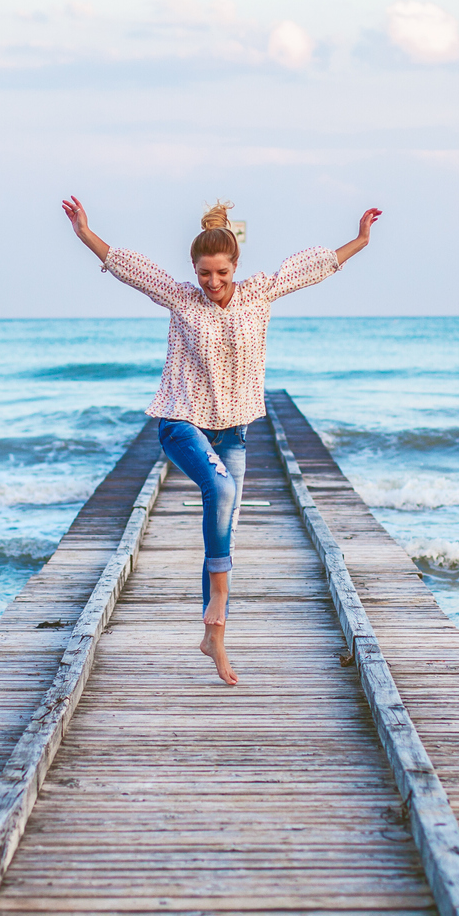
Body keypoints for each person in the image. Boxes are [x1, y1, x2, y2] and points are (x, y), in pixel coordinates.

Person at [61, 196, 381, 685]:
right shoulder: (181, 297)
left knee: (224, 518)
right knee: (224, 491)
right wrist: (85, 232)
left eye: (221, 274)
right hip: (180, 421)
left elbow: (314, 268)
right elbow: (126, 267)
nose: (212, 283)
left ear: (236, 267)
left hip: (234, 428)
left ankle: (215, 638)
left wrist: (359, 240)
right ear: (194, 268)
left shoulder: (258, 294)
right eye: (204, 273)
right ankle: (219, 599)